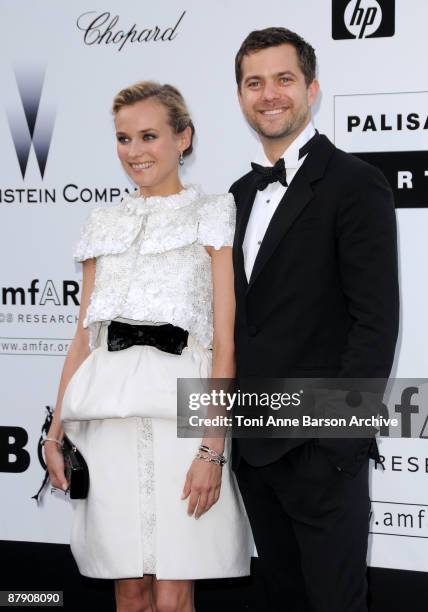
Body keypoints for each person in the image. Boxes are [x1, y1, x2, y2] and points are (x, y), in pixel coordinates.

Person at [43, 81, 252, 612]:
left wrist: (212, 446)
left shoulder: (213, 212)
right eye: (123, 138)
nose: (134, 151)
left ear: (183, 138)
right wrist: (55, 432)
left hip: (182, 422)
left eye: (149, 136)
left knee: (174, 588)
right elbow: (84, 336)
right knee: (127, 587)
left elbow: (223, 343)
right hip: (107, 422)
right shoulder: (102, 223)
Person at [230, 27, 399, 612]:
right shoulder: (237, 195)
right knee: (284, 599)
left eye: (283, 79)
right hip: (252, 447)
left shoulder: (355, 183)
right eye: (255, 82)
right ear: (240, 96)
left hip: (321, 451)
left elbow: (375, 322)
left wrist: (338, 441)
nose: (268, 93)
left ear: (312, 89)